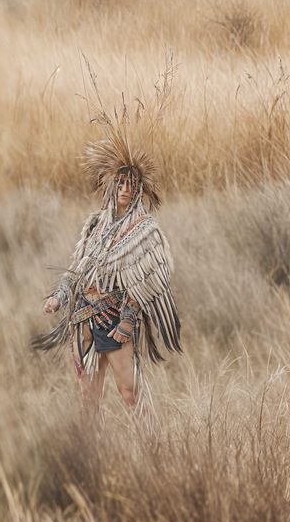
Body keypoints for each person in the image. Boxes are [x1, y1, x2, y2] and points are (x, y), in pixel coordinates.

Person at [34, 134, 180, 416]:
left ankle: (152, 448)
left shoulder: (145, 231)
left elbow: (148, 283)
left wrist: (127, 320)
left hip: (113, 319)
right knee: (89, 399)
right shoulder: (94, 225)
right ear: (113, 187)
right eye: (121, 184)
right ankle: (94, 453)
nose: (125, 189)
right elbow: (78, 269)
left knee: (130, 392)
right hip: (82, 317)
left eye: (132, 185)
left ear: (139, 190)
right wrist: (59, 296)